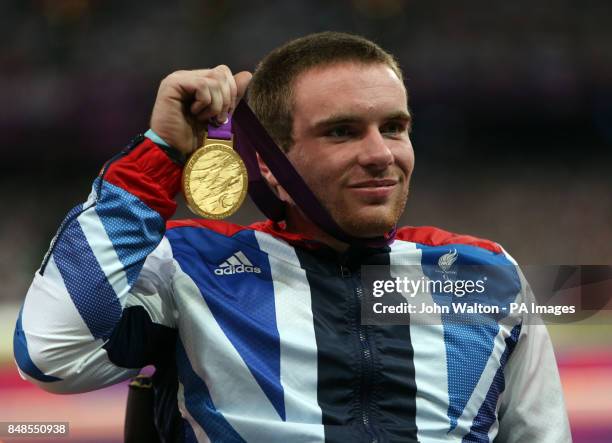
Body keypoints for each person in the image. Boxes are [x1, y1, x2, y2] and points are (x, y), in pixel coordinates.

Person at [14, 32, 571, 442]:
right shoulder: (190, 270)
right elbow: (51, 355)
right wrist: (157, 155)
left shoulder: (486, 273)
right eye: (342, 132)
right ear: (273, 165)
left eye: (395, 127)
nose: (381, 154)